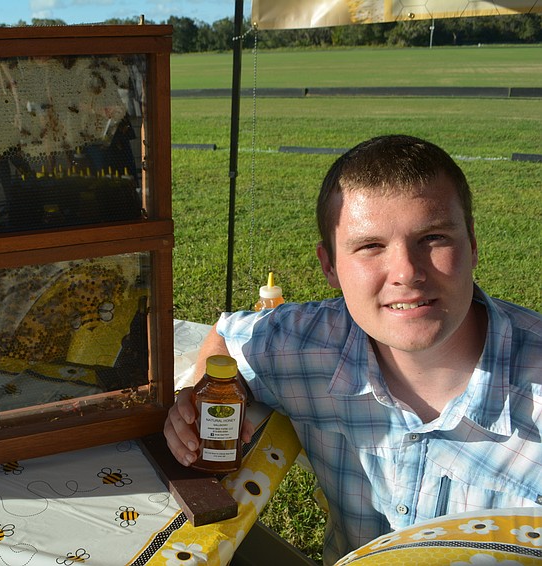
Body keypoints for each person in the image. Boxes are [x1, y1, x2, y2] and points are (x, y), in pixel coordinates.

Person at [163, 134, 542, 563]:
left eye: (433, 238)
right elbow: (227, 336)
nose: (405, 272)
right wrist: (197, 398)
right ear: (329, 266)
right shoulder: (309, 347)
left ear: (472, 246)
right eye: (370, 246)